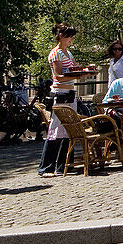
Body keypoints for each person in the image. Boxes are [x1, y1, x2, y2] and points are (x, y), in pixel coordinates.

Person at [38, 23, 86, 177]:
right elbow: (58, 75)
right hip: (60, 93)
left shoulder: (68, 53)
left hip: (70, 92)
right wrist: (77, 75)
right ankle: (46, 167)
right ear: (61, 36)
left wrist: (83, 71)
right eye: (69, 36)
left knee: (68, 128)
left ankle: (63, 164)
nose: (71, 39)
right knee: (55, 129)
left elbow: (74, 68)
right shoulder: (56, 53)